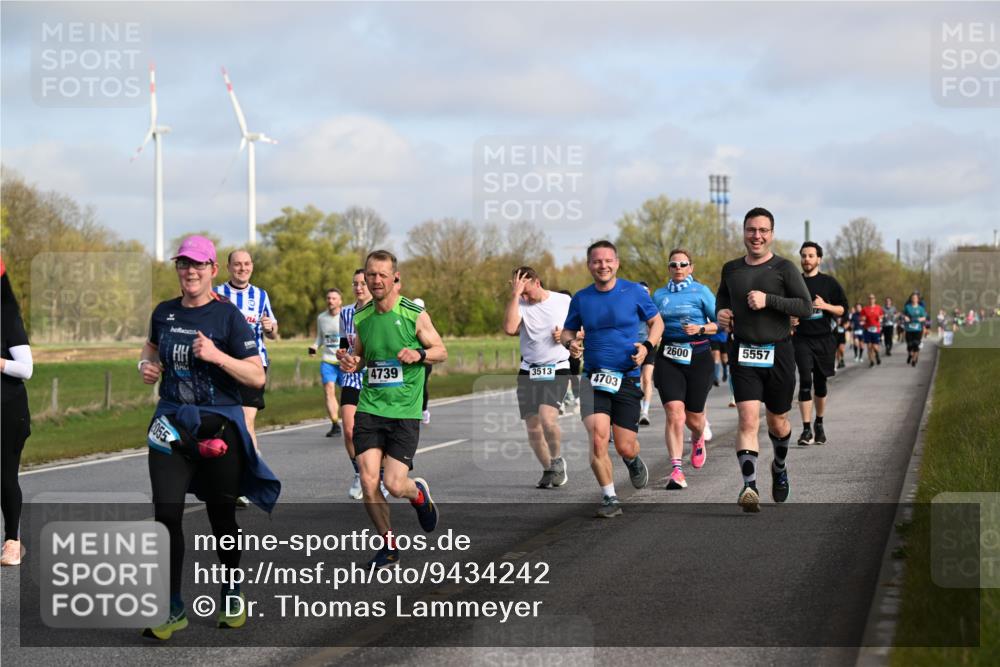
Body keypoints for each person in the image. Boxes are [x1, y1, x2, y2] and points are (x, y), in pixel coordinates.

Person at [139, 235, 280, 639]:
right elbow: (150, 349)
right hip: (170, 425)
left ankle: (232, 588)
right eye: (183, 264)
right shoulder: (164, 312)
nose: (190, 271)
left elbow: (256, 375)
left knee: (222, 516)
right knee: (166, 515)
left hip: (218, 427)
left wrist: (217, 356)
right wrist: (145, 366)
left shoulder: (228, 317)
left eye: (198, 264)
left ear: (213, 270)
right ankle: (171, 606)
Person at [338, 250, 446, 569]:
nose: (376, 280)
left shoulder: (414, 314)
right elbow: (362, 356)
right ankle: (389, 547)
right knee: (369, 481)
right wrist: (352, 362)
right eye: (371, 275)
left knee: (396, 485)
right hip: (370, 407)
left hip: (404, 411)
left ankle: (418, 494)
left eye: (382, 275)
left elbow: (441, 351)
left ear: (395, 277)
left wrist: (418, 354)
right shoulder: (362, 317)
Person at [716, 208, 812, 513]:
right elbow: (722, 299)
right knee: (747, 419)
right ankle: (750, 486)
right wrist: (721, 314)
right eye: (751, 230)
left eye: (763, 230)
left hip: (779, 353)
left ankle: (779, 466)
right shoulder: (731, 269)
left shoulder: (784, 268)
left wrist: (768, 300)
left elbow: (806, 307)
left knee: (778, 422)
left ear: (771, 234)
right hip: (743, 352)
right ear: (743, 232)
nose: (756, 236)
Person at [560, 240, 663, 518]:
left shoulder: (634, 292)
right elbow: (568, 331)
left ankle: (632, 458)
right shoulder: (581, 298)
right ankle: (609, 497)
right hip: (593, 378)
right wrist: (570, 343)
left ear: (616, 263)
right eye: (597, 261)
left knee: (624, 445)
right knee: (598, 439)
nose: (602, 266)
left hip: (627, 378)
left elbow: (657, 322)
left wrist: (647, 347)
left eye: (608, 261)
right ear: (589, 265)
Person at [214, 249, 278, 508]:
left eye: (247, 264)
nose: (242, 268)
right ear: (229, 267)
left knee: (245, 421)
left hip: (254, 365)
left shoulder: (261, 295)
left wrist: (270, 328)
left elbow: (273, 331)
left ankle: (245, 478)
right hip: (224, 366)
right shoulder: (217, 294)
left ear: (252, 266)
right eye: (237, 264)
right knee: (225, 424)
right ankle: (244, 462)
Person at [651, 250, 718, 489]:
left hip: (698, 356)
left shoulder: (701, 292)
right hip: (669, 357)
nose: (678, 268)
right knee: (674, 414)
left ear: (691, 267)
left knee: (694, 419)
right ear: (669, 268)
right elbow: (651, 323)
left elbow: (720, 324)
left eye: (683, 264)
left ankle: (698, 437)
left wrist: (701, 329)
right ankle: (677, 470)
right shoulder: (659, 295)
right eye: (674, 264)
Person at [503, 266, 572, 488]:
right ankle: (548, 468)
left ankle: (557, 460)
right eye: (520, 292)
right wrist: (516, 295)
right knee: (533, 428)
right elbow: (510, 328)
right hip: (528, 370)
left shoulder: (563, 301)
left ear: (537, 282)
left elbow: (583, 328)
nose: (524, 296)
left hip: (557, 368)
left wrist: (568, 335)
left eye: (526, 291)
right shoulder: (519, 303)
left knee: (547, 418)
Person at [791, 242, 847, 447]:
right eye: (803, 256)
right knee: (805, 380)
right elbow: (785, 308)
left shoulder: (829, 283)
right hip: (802, 339)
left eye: (811, 256)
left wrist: (825, 306)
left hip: (824, 339)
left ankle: (819, 423)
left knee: (821, 383)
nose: (806, 259)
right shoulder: (794, 283)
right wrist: (790, 318)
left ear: (819, 259)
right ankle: (806, 429)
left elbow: (842, 309)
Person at [1, 259, 32, 567]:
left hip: (8, 410)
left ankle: (12, 541)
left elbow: (26, 368)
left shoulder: (8, 318)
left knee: (4, 476)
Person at [339, 269, 371, 499]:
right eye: (355, 284)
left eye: (363, 283)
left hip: (376, 377)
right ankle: (359, 473)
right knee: (350, 431)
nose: (358, 288)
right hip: (352, 375)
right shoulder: (346, 312)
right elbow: (343, 342)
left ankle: (379, 476)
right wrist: (341, 354)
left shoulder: (379, 310)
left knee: (376, 433)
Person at [309, 288, 344, 437]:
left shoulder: (346, 316)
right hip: (328, 361)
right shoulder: (321, 318)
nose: (330, 301)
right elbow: (320, 338)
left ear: (340, 301)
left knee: (347, 393)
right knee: (329, 390)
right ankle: (335, 424)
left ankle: (351, 421)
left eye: (334, 298)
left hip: (344, 361)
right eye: (328, 298)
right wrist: (314, 346)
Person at [637, 282, 657, 426]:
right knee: (636, 380)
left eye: (645, 291)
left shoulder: (652, 307)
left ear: (649, 291)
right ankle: (638, 409)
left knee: (647, 379)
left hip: (649, 346)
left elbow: (658, 324)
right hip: (633, 347)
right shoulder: (631, 306)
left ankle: (645, 411)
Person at [411, 298, 433, 424]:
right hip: (410, 360)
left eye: (420, 309)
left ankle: (424, 410)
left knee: (422, 385)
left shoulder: (428, 323)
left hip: (425, 360)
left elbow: (433, 345)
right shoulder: (407, 321)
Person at [903, 292, 927, 366]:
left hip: (917, 329)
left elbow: (924, 317)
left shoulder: (921, 308)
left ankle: (914, 360)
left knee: (916, 344)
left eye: (915, 298)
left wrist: (920, 319)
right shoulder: (907, 307)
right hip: (909, 329)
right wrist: (905, 317)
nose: (914, 299)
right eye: (913, 298)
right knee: (909, 345)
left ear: (918, 299)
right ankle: (910, 355)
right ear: (911, 299)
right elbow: (903, 315)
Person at [860, 294, 885, 368]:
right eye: (870, 298)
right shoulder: (865, 309)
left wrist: (880, 318)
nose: (871, 300)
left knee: (875, 346)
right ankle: (871, 361)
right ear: (868, 300)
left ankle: (877, 354)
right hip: (867, 329)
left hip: (876, 329)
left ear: (875, 299)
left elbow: (882, 315)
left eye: (873, 298)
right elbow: (861, 318)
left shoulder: (878, 308)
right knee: (869, 346)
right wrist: (863, 318)